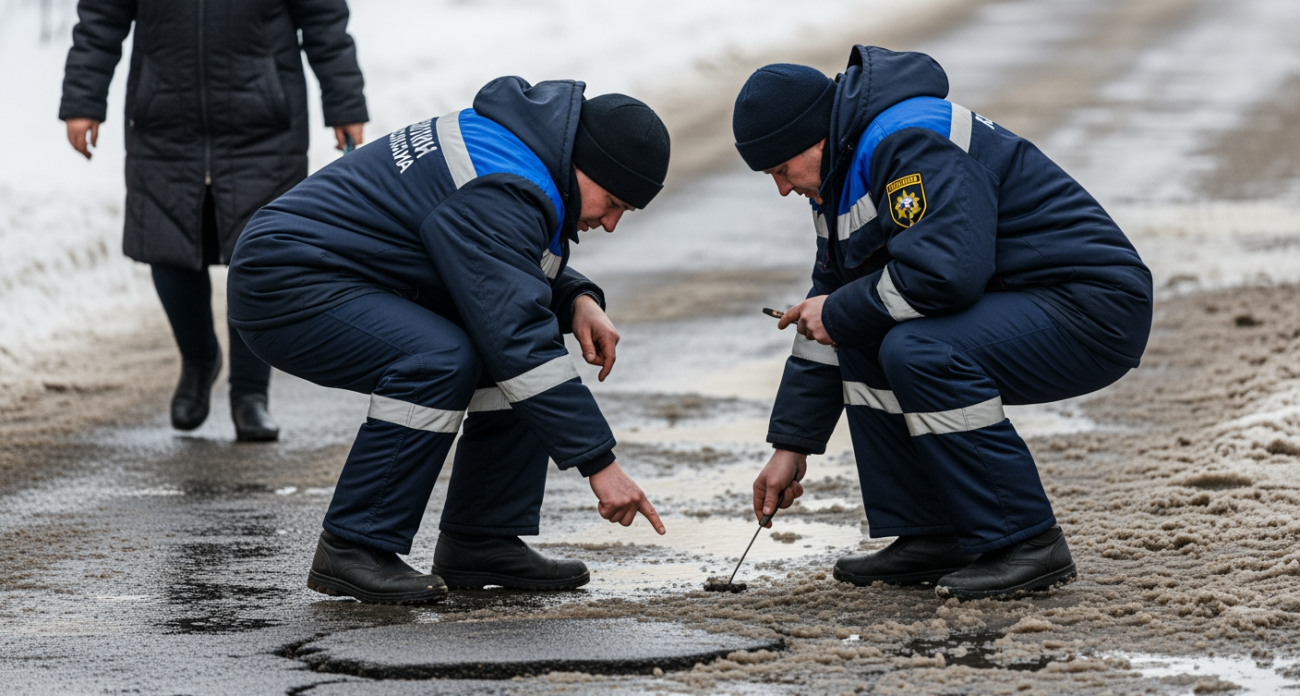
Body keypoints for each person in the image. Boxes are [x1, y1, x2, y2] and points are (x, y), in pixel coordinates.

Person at [225, 76, 671, 604]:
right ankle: (352, 546)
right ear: (585, 165)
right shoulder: (506, 183)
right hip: (285, 280)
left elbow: (502, 270)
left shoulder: (525, 152)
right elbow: (513, 327)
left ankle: (480, 539)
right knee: (440, 358)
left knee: (502, 343)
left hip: (344, 273)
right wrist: (601, 466)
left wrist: (575, 298)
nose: (612, 223)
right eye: (614, 201)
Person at [735, 46, 1153, 600]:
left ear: (813, 138)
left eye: (781, 170)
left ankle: (1026, 542)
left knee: (920, 350)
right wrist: (791, 446)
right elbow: (832, 308)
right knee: (862, 327)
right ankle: (933, 532)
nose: (782, 188)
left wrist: (836, 310)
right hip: (1025, 300)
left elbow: (946, 275)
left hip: (1091, 307)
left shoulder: (905, 139)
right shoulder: (842, 169)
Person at [59, 0, 368, 441]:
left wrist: (345, 103)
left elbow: (323, 17)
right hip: (164, 117)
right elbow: (101, 16)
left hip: (263, 122)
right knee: (167, 246)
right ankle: (199, 358)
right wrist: (83, 99)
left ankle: (250, 394)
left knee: (260, 257)